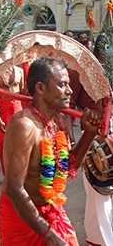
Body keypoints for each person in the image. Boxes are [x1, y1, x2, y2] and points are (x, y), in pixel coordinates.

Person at [0, 56, 101, 245]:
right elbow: (14, 188)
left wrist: (88, 134)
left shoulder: (59, 120)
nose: (70, 91)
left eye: (68, 84)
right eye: (63, 85)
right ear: (40, 88)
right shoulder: (24, 125)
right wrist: (49, 234)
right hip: (21, 217)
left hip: (52, 209)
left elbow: (68, 168)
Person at [68, 33, 113, 246]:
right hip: (92, 140)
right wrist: (68, 138)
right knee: (99, 193)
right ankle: (99, 240)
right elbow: (65, 108)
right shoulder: (80, 74)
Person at [0, 65, 24, 175]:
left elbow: (21, 91)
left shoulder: (20, 70)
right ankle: (7, 176)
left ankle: (17, 175)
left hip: (16, 108)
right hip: (2, 109)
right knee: (3, 144)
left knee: (19, 143)